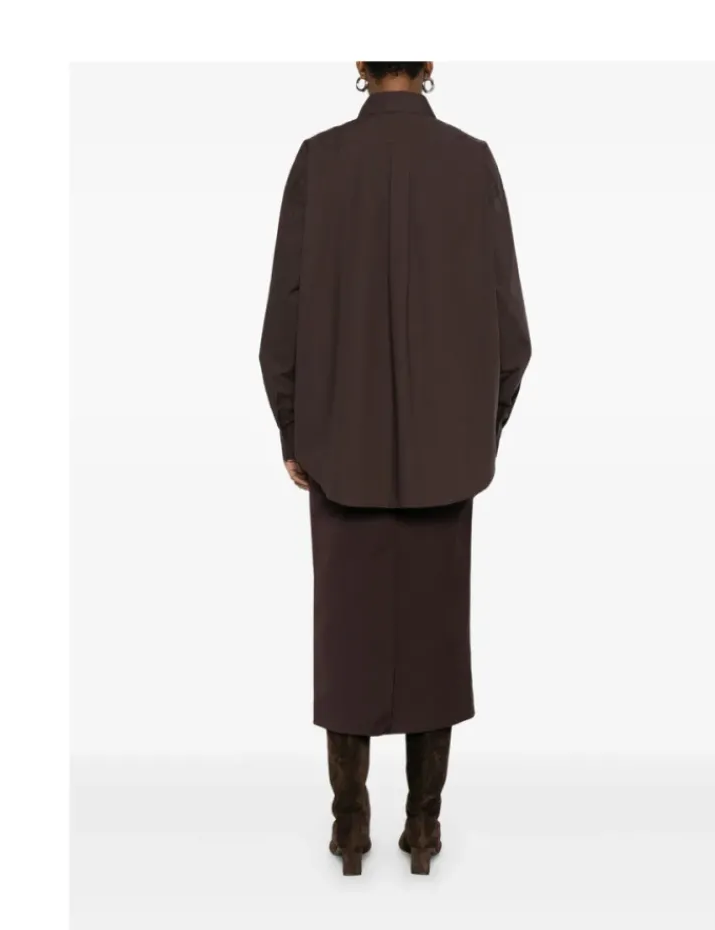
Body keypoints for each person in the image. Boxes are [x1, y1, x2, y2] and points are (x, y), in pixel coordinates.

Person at [259, 61, 531, 876]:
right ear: (429, 67)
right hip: (447, 453)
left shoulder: (320, 161)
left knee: (347, 637)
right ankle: (424, 827)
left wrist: (294, 428)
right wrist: (480, 429)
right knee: (434, 640)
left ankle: (349, 831)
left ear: (360, 67)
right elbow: (511, 330)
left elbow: (284, 318)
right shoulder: (472, 163)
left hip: (339, 448)